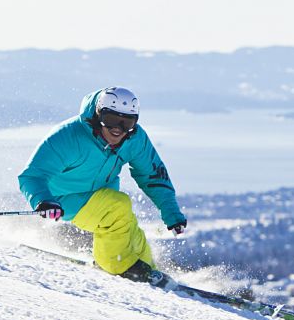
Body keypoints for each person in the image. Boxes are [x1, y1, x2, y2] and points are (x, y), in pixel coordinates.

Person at [18, 86, 187, 286]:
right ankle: (117, 265)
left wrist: (172, 213)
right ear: (98, 115)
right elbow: (32, 175)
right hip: (62, 199)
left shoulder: (134, 139)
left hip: (100, 196)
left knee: (131, 230)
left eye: (127, 122)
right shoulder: (69, 136)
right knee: (118, 207)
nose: (118, 129)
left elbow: (152, 174)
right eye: (111, 120)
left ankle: (148, 270)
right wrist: (43, 200)